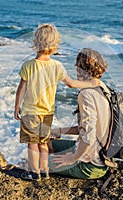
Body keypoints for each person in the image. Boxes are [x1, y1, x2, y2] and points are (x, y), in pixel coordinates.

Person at [14, 24, 100, 181]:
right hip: (47, 112)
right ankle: (45, 170)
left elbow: (21, 89)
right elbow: (72, 84)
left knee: (32, 144)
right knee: (43, 143)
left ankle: (34, 173)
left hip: (30, 112)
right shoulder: (57, 66)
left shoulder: (28, 65)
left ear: (36, 42)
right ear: (55, 45)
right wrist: (92, 84)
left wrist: (16, 107)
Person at [49, 48, 111, 179]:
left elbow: (89, 136)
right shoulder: (104, 89)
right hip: (100, 155)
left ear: (80, 68)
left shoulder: (87, 94)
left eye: (77, 65)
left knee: (33, 162)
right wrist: (59, 131)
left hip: (90, 165)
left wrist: (72, 158)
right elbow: (92, 128)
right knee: (45, 143)